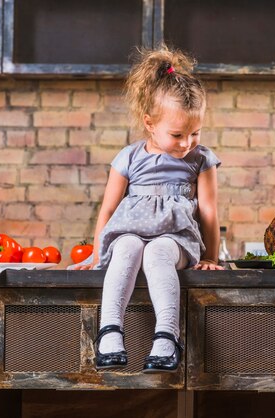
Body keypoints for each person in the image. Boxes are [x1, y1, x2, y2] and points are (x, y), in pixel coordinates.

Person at [73, 45, 223, 373]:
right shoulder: (128, 157)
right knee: (125, 246)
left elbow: (209, 211)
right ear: (149, 123)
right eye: (177, 134)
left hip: (177, 239)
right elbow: (109, 209)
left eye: (195, 133)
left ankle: (166, 336)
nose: (187, 143)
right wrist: (96, 255)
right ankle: (110, 333)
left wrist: (211, 257)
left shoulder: (201, 160)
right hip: (131, 232)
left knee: (157, 252)